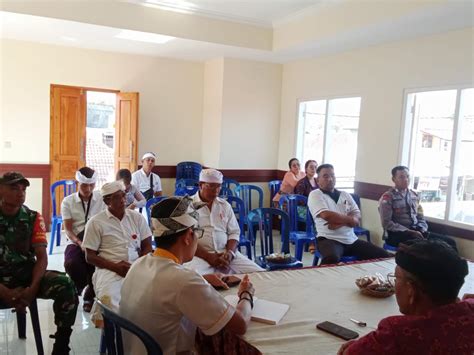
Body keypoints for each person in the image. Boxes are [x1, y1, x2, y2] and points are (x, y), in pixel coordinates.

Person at [120, 196, 255, 355]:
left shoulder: (139, 264)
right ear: (187, 236)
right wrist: (246, 293)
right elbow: (240, 325)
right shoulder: (184, 281)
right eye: (198, 232)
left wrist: (203, 280)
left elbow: (164, 288)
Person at [338, 239, 473, 354]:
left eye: (396, 278)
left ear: (411, 291)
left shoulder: (396, 332)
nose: (395, 283)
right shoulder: (470, 309)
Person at [0, 172, 78, 355]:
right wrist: (5, 291)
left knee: (65, 285)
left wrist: (32, 288)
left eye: (23, 188)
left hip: (26, 276)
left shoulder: (33, 217)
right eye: (14, 188)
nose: (21, 193)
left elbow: (41, 257)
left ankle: (61, 345)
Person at [82, 181, 153, 326]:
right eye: (116, 197)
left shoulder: (136, 218)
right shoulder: (96, 222)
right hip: (109, 269)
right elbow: (90, 256)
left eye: (123, 195)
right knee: (109, 300)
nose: (122, 200)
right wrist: (115, 267)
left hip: (137, 266)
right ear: (106, 201)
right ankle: (115, 339)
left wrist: (138, 265)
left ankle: (140, 337)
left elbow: (147, 245)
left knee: (153, 297)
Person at [185, 169, 263, 274]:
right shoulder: (188, 206)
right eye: (211, 186)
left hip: (225, 253)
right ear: (200, 185)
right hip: (199, 256)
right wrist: (209, 257)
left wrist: (230, 253)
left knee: (259, 273)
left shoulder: (225, 205)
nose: (216, 191)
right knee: (195, 280)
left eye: (219, 186)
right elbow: (186, 239)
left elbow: (234, 232)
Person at [308, 164, 390, 264]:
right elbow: (327, 215)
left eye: (332, 175)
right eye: (325, 176)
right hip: (328, 239)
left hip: (351, 239)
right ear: (318, 180)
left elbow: (357, 216)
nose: (330, 179)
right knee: (331, 258)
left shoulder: (345, 195)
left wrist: (338, 222)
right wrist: (350, 220)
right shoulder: (315, 194)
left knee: (383, 254)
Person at [379, 166, 457, 250]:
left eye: (407, 176)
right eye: (401, 177)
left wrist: (422, 228)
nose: (406, 179)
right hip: (397, 234)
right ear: (393, 179)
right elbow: (386, 223)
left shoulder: (414, 195)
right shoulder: (388, 197)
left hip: (416, 231)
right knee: (426, 247)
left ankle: (452, 263)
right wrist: (409, 232)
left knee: (450, 242)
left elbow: (420, 216)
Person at [61, 167, 106, 312]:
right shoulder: (68, 202)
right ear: (77, 183)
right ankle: (83, 286)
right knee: (71, 263)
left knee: (100, 262)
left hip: (97, 239)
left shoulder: (101, 198)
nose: (88, 189)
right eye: (84, 185)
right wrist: (80, 243)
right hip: (76, 240)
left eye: (92, 185)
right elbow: (68, 229)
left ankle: (89, 295)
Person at [294, 159, 319, 253]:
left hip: (314, 207)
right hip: (301, 208)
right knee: (313, 216)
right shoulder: (302, 182)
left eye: (315, 167)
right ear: (306, 169)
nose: (314, 169)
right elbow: (300, 200)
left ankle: (322, 241)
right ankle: (312, 242)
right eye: (311, 167)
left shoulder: (317, 181)